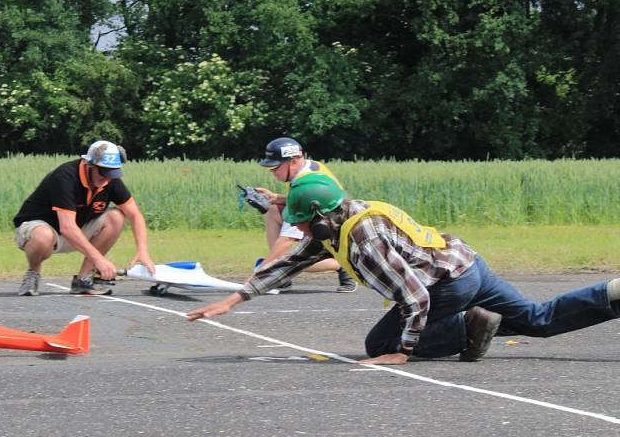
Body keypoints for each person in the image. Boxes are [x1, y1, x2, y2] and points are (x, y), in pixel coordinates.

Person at [188, 173, 620, 365]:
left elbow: (416, 297)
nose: (296, 228)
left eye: (300, 221)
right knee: (537, 320)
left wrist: (403, 352)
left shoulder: (363, 241)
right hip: (468, 263)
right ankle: (611, 293)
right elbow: (288, 265)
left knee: (380, 342)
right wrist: (232, 300)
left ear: (320, 216)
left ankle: (469, 324)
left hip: (446, 284)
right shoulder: (344, 216)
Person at [13, 140, 156, 296]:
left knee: (116, 217)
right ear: (90, 165)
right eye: (103, 172)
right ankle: (33, 274)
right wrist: (99, 259)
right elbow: (67, 228)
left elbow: (135, 215)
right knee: (42, 236)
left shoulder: (110, 181)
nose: (107, 179)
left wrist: (143, 251)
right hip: (40, 229)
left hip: (75, 230)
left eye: (112, 173)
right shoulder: (65, 177)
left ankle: (83, 279)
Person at [252, 137, 357, 292]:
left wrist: (262, 272)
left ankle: (343, 265)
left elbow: (287, 239)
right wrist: (275, 198)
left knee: (286, 258)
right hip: (323, 225)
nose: (272, 172)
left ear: (293, 162)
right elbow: (300, 201)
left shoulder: (305, 180)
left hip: (333, 233)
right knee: (273, 209)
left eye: (275, 167)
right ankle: (281, 274)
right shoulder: (308, 168)